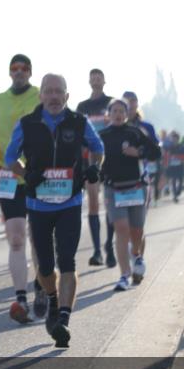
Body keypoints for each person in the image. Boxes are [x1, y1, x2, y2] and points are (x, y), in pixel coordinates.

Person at [5, 73, 104, 348]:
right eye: (48, 91)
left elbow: (98, 148)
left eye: (58, 91)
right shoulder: (27, 124)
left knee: (67, 260)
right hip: (38, 204)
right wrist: (26, 174)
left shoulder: (79, 122)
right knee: (46, 265)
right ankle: (52, 299)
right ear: (41, 96)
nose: (53, 96)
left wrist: (95, 166)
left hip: (69, 202)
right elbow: (10, 158)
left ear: (67, 96)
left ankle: (63, 319)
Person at [0, 53, 46, 321]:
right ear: (9, 72)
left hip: (37, 176)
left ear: (30, 72)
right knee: (17, 238)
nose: (19, 71)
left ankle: (41, 288)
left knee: (40, 238)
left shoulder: (40, 96)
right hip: (9, 176)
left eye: (24, 68)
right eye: (14, 68)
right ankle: (21, 299)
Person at [98, 100, 162, 291]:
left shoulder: (135, 132)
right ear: (109, 114)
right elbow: (93, 157)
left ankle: (136, 254)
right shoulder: (102, 135)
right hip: (113, 188)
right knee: (121, 229)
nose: (118, 114)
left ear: (127, 114)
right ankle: (124, 275)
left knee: (137, 230)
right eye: (114, 111)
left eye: (121, 111)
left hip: (136, 187)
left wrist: (139, 152)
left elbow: (156, 152)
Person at [76, 68, 115, 268]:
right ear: (89, 81)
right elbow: (76, 132)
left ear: (104, 81)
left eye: (99, 77)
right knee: (93, 203)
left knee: (109, 204)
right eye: (93, 78)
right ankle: (97, 250)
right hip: (89, 159)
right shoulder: (82, 106)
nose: (96, 80)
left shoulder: (112, 103)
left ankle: (109, 245)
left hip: (110, 159)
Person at [165, 131, 184, 202]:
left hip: (180, 165)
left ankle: (179, 191)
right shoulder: (169, 147)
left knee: (180, 180)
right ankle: (174, 195)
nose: (174, 140)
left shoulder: (181, 147)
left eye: (175, 139)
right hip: (171, 166)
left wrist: (177, 156)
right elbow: (166, 156)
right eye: (173, 139)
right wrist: (166, 163)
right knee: (173, 180)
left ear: (178, 139)